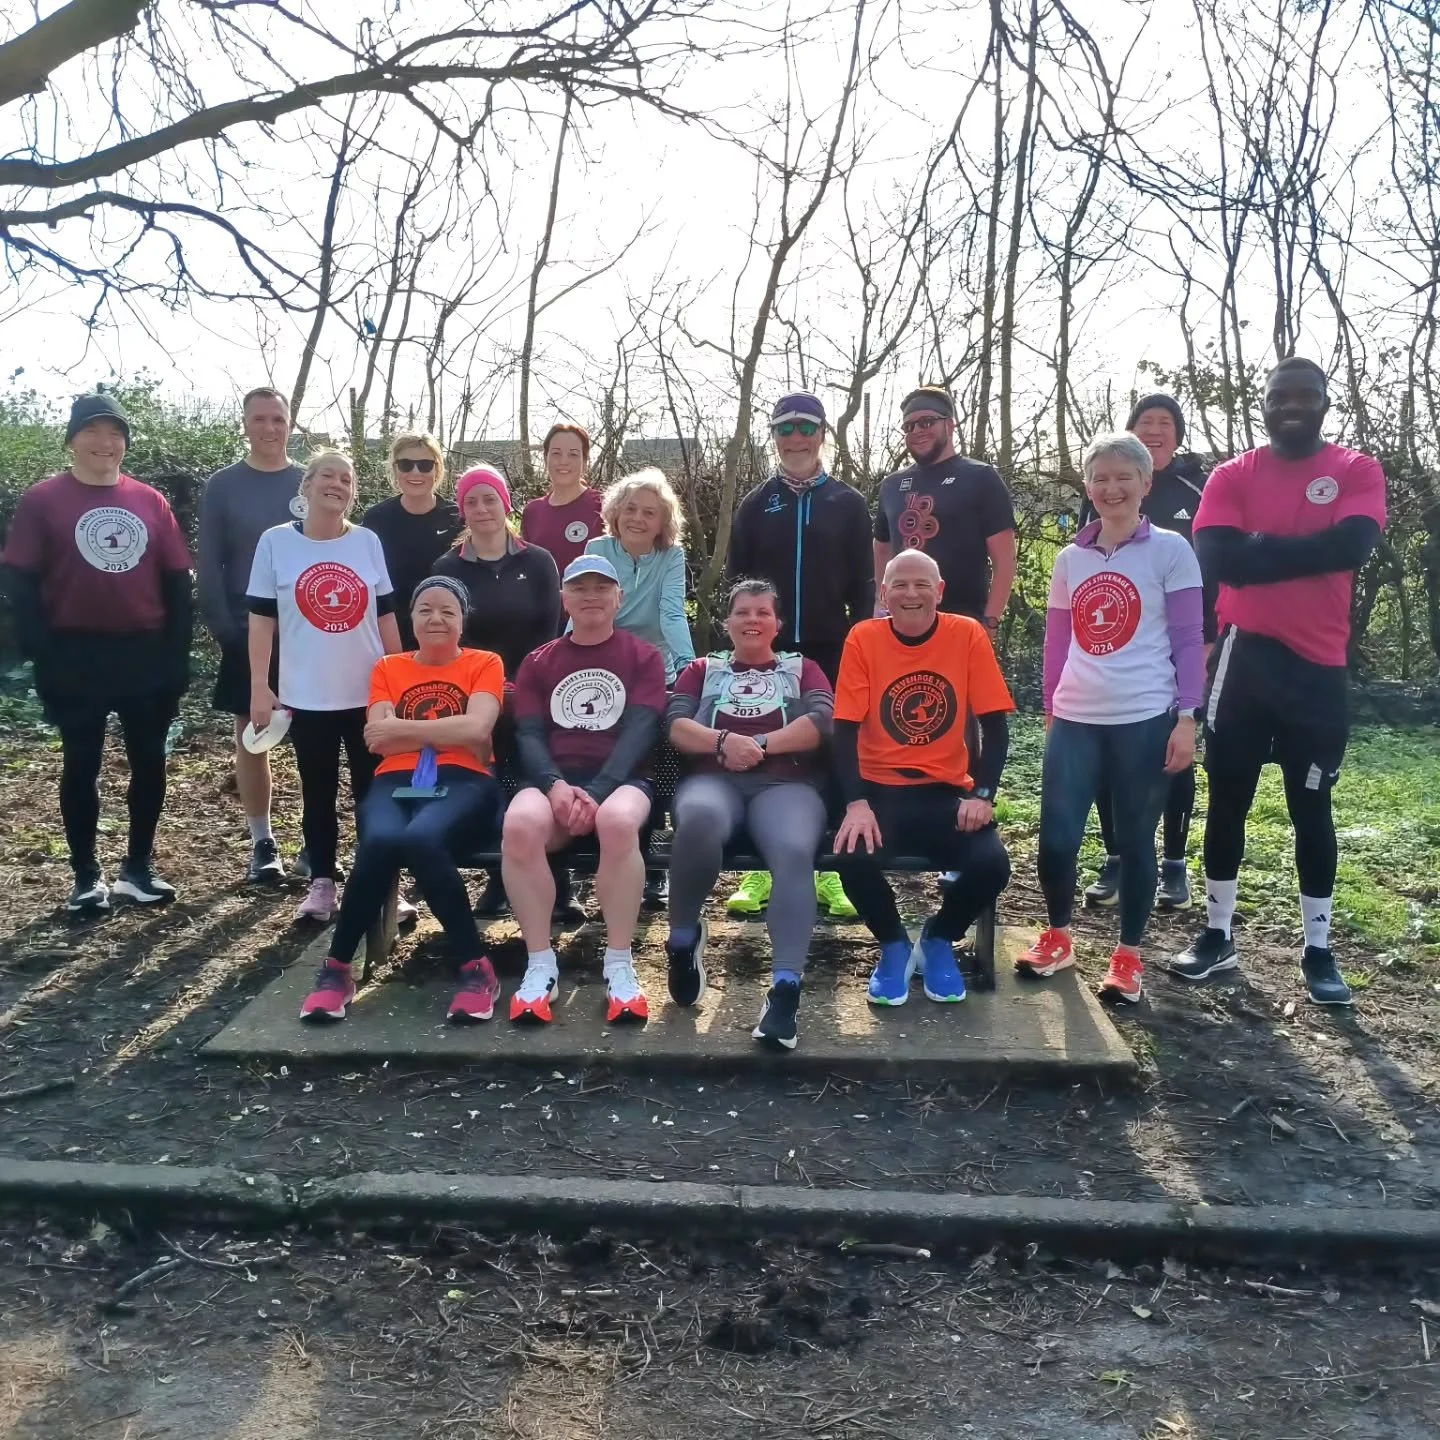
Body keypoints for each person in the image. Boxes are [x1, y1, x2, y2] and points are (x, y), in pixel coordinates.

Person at [1170, 357, 1386, 1007]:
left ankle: (1318, 950)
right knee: (1228, 799)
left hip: (1318, 670)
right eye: (1278, 396)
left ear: (1324, 402)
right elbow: (1217, 556)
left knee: (1310, 807)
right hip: (1245, 661)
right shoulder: (1234, 473)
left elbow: (1351, 546)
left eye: (1305, 395)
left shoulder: (1355, 470)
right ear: (1262, 404)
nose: (1291, 405)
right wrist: (1296, 549)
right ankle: (1216, 935)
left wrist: (1258, 552)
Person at [1016, 433, 1205, 1005]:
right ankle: (1059, 936)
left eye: (1125, 477)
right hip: (1075, 716)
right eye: (1100, 477)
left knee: (1135, 842)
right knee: (1057, 840)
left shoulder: (1172, 550)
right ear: (1089, 487)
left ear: (1146, 485)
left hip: (1145, 716)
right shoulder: (1071, 558)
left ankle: (1128, 956)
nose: (1111, 487)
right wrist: (1051, 708)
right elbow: (1057, 642)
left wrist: (1187, 718)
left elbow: (1189, 640)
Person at [3, 393, 192, 911]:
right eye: (92, 432)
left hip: (144, 655)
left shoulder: (150, 501)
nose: (105, 443)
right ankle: (86, 875)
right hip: (75, 653)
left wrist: (177, 658)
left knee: (149, 763)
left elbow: (177, 583)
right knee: (80, 762)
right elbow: (20, 581)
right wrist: (44, 653)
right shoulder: (44, 500)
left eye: (115, 434)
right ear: (72, 440)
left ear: (125, 444)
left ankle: (138, 868)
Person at [299, 576, 506, 1024]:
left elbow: (477, 731)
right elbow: (377, 739)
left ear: (462, 620)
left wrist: (405, 731)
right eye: (425, 609)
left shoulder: (483, 662)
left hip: (466, 779)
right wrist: (444, 730)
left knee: (423, 837)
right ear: (410, 618)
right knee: (379, 841)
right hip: (394, 781)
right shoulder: (389, 668)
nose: (436, 618)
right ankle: (337, 969)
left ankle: (475, 967)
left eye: (448, 611)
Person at [831, 550, 1014, 1005]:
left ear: (940, 591)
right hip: (878, 791)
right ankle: (893, 944)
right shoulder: (863, 638)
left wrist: (984, 794)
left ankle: (938, 938)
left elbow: (994, 724)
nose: (911, 594)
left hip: (945, 791)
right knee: (850, 855)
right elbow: (844, 730)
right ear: (884, 593)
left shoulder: (966, 634)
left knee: (991, 864)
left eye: (921, 584)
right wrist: (855, 802)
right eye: (900, 585)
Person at [664, 579, 835, 1049]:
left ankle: (785, 990)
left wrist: (759, 745)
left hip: (787, 784)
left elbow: (821, 723)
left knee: (795, 849)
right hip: (713, 780)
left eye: (763, 612)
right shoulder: (703, 669)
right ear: (727, 623)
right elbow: (676, 725)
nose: (753, 620)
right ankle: (682, 940)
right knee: (696, 819)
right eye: (743, 612)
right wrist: (722, 743)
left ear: (778, 624)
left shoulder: (803, 669)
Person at [723, 390, 870, 923]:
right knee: (771, 745)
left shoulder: (848, 503)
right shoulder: (757, 503)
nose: (796, 438)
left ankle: (829, 868)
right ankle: (763, 865)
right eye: (784, 429)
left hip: (832, 647)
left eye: (806, 427)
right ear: (774, 437)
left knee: (829, 747)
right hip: (769, 649)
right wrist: (750, 639)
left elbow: (865, 584)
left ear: (823, 434)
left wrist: (863, 643)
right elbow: (740, 582)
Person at [501, 554, 666, 1024]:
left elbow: (641, 728)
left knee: (617, 824)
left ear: (619, 597)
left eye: (601, 587)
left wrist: (598, 790)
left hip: (622, 782)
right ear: (564, 600)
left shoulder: (643, 656)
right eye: (580, 588)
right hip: (554, 782)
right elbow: (529, 734)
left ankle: (619, 965)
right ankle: (539, 965)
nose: (590, 596)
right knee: (519, 825)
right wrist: (555, 787)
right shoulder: (538, 662)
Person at [247, 450, 402, 922]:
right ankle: (321, 884)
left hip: (368, 696)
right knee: (317, 794)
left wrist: (400, 683)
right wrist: (259, 684)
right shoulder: (275, 543)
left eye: (347, 480)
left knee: (373, 794)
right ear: (307, 486)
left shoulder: (367, 542)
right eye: (328, 477)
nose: (337, 485)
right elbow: (260, 620)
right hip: (305, 695)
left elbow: (387, 615)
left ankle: (379, 884)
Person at [1080, 394, 1214, 912]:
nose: (1155, 430)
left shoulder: (1196, 489)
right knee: (1109, 759)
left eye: (1165, 423)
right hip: (1116, 652)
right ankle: (1117, 856)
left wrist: (1207, 638)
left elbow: (1215, 567)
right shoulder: (1104, 488)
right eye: (1145, 422)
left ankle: (1174, 865)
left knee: (1175, 756)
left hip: (1182, 647)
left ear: (1177, 434)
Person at [431, 464, 562, 918]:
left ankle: (560, 880)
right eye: (471, 501)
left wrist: (526, 686)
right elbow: (446, 636)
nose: (482, 509)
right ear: (462, 509)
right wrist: (483, 689)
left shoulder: (539, 561)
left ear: (506, 504)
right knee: (492, 778)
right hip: (474, 697)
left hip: (536, 690)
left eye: (490, 499)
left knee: (540, 776)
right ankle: (499, 878)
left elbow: (552, 634)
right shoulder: (448, 567)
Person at [198, 386, 303, 883]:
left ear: (289, 423)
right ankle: (262, 843)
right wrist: (224, 628)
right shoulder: (224, 485)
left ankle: (315, 842)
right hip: (247, 632)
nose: (269, 427)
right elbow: (210, 562)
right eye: (259, 418)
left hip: (311, 633)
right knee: (253, 738)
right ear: (245, 424)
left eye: (277, 418)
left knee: (315, 741)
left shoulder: (309, 481)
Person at [579, 468, 695, 910]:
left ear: (663, 520)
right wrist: (567, 655)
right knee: (600, 755)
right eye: (630, 509)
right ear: (615, 512)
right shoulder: (598, 549)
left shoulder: (672, 556)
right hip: (602, 668)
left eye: (650, 512)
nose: (638, 519)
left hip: (656, 670)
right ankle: (594, 858)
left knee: (655, 761)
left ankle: (650, 869)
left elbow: (671, 614)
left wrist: (688, 666)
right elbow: (586, 609)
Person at [872, 386, 1017, 631]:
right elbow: (881, 550)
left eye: (927, 422)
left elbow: (1005, 560)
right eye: (909, 426)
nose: (917, 431)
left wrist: (990, 621)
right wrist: (879, 603)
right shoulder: (891, 485)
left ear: (950, 425)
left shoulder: (980, 477)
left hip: (963, 627)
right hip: (900, 629)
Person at [360, 433, 463, 647]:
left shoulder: (457, 518)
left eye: (425, 465)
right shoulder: (377, 519)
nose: (415, 472)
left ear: (437, 470)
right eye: (406, 465)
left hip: (446, 635)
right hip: (390, 635)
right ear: (395, 469)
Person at [520, 423, 604, 576]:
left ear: (584, 461)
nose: (564, 461)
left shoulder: (603, 505)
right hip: (546, 600)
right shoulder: (532, 512)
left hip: (592, 599)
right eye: (556, 453)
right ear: (546, 458)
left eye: (573, 454)